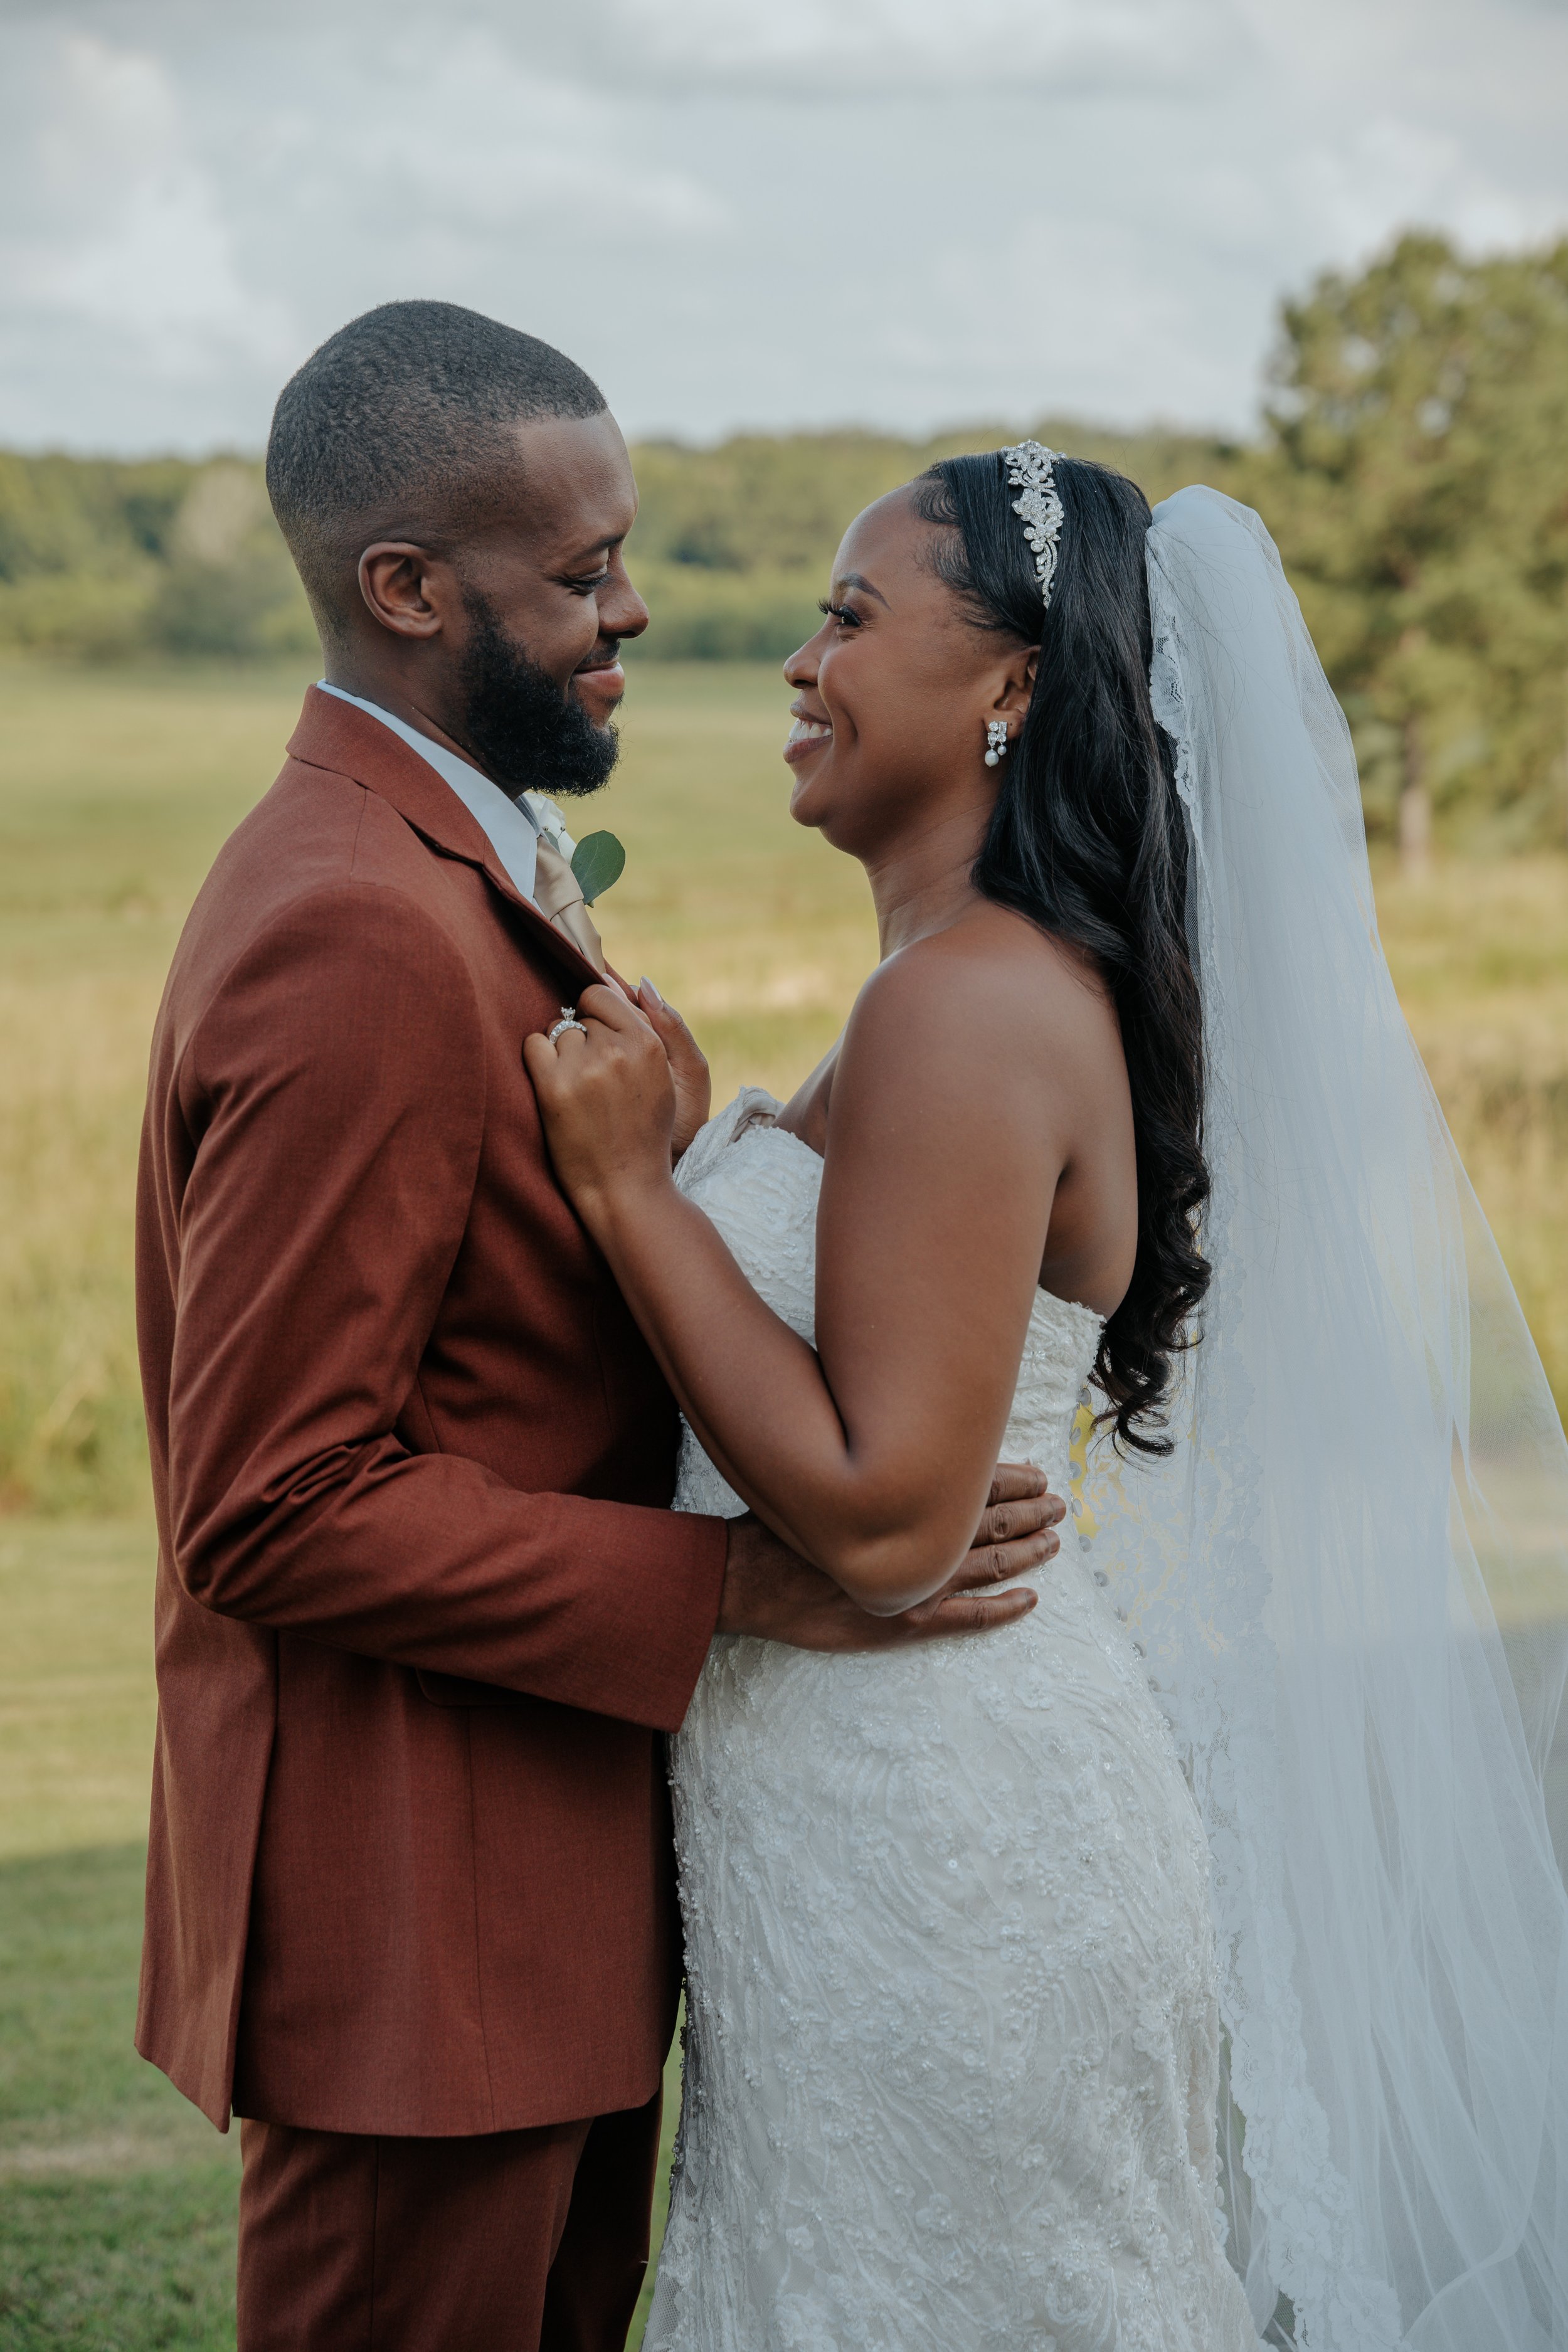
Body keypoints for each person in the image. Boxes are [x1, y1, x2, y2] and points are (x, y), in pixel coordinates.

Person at [529, 450, 1568, 2349]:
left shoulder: (964, 1003)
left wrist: (619, 1194)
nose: (796, 660)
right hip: (867, 1824)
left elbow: (886, 1522)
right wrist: (692, 1163)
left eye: (850, 615)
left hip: (942, 1850)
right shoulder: (958, 987)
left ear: (1010, 684)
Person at [133, 302, 1064, 2352]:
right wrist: (736, 1582)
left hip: (531, 1905)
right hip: (418, 1934)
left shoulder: (441, 864)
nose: (632, 609)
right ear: (403, 588)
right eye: (579, 575)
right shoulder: (355, 927)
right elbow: (274, 1505)